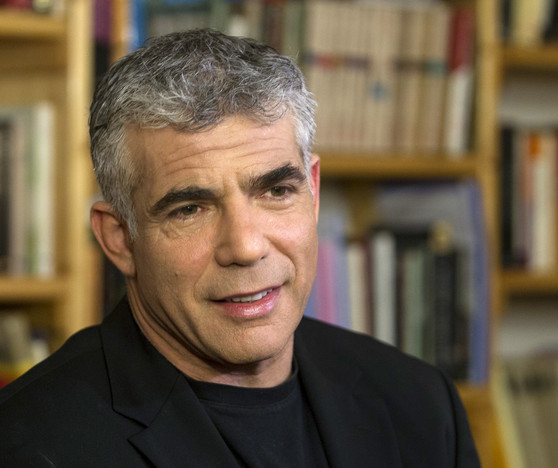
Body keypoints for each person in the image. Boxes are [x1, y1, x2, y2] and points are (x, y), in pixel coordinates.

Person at [0, 28, 481, 467]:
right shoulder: (31, 445)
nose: (247, 247)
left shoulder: (421, 404)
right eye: (190, 209)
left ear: (312, 192)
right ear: (119, 239)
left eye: (276, 191)